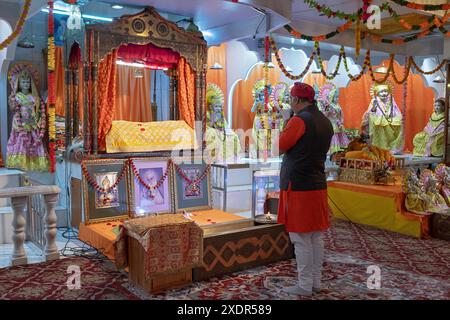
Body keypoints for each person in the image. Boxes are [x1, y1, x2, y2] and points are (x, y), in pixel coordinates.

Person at [277, 82, 334, 296]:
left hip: (299, 187)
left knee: (300, 238)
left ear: (297, 100)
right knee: (316, 237)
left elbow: (279, 146)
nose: (291, 102)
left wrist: (286, 121)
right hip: (317, 184)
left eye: (292, 99)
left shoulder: (299, 120)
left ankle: (304, 284)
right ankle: (315, 282)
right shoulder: (326, 121)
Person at [7, 65, 49, 171]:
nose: (26, 84)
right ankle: (21, 163)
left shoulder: (33, 97)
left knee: (34, 141)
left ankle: (34, 163)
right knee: (21, 141)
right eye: (23, 82)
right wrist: (12, 100)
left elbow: (39, 109)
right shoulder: (17, 96)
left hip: (33, 122)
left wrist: (39, 119)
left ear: (31, 84)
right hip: (20, 123)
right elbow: (13, 108)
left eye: (27, 82)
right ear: (19, 84)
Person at [361, 82, 403, 154]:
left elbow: (396, 110)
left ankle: (394, 147)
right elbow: (370, 112)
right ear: (377, 93)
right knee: (376, 121)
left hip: (391, 119)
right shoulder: (374, 100)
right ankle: (380, 148)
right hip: (379, 121)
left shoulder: (391, 99)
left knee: (400, 123)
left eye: (385, 91)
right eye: (381, 92)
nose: (384, 93)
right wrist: (374, 107)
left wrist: (397, 117)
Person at [317, 83, 349, 154]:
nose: (337, 99)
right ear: (331, 97)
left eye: (337, 97)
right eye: (335, 97)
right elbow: (324, 115)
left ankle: (337, 153)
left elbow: (341, 115)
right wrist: (328, 111)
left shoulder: (337, 105)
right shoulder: (328, 105)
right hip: (330, 124)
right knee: (332, 137)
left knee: (338, 137)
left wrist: (341, 122)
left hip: (338, 125)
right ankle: (331, 151)